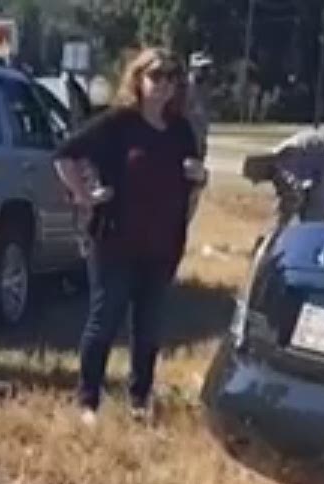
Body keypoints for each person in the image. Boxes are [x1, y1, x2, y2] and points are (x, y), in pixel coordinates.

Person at [54, 47, 207, 424]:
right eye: (156, 75)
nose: (164, 84)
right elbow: (65, 155)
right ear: (137, 79)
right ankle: (88, 401)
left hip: (162, 244)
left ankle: (140, 400)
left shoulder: (180, 129)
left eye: (173, 77)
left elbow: (193, 181)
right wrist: (85, 195)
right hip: (114, 241)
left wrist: (201, 178)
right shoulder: (119, 123)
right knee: (104, 321)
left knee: (149, 329)